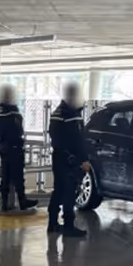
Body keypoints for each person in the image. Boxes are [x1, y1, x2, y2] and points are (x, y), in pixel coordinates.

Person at [47, 81, 91, 238]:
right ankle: (68, 226)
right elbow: (78, 140)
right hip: (70, 160)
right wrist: (83, 160)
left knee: (58, 190)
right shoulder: (72, 116)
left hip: (58, 157)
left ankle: (52, 223)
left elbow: (54, 135)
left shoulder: (57, 113)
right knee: (69, 193)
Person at [0, 86, 38, 212]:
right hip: (15, 147)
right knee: (18, 175)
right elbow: (18, 130)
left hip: (3, 148)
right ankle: (22, 201)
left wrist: (0, 143)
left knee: (5, 175)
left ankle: (4, 203)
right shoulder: (13, 112)